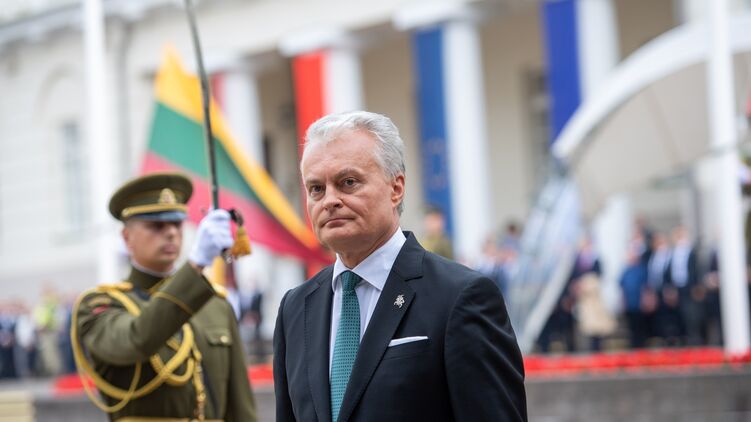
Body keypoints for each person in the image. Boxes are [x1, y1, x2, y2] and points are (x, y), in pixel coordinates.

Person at [273, 111, 527, 421]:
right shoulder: (295, 308)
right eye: (316, 188)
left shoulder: (460, 297)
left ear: (396, 188)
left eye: (348, 182)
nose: (330, 200)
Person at [71, 172, 257, 422]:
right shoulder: (100, 305)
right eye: (156, 226)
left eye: (177, 224)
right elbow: (135, 340)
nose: (170, 233)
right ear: (126, 237)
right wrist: (196, 264)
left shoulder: (215, 304)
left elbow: (240, 406)